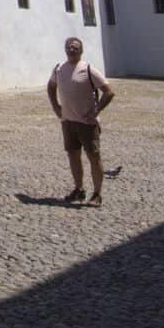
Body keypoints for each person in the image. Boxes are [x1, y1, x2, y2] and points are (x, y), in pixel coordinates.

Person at [47, 36, 116, 207]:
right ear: (65, 49)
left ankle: (97, 194)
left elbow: (109, 92)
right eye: (69, 47)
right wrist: (56, 106)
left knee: (94, 156)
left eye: (75, 48)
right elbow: (50, 86)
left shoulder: (88, 69)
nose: (72, 49)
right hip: (67, 121)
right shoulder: (59, 69)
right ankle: (79, 189)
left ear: (81, 51)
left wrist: (96, 111)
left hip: (86, 123)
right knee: (73, 155)